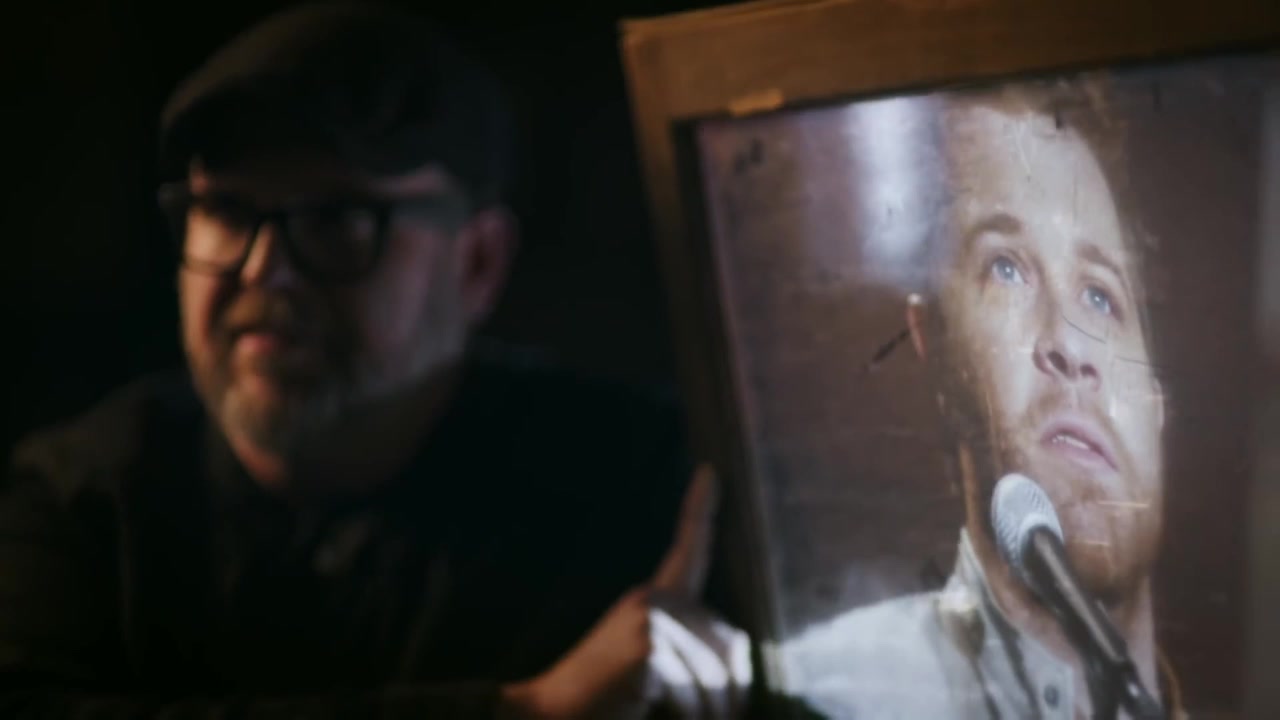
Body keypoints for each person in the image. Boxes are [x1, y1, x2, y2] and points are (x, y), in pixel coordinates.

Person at [0, 3, 749, 718]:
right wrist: (523, 714)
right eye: (225, 211)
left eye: (335, 219)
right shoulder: (86, 504)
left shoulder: (636, 489)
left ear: (478, 263)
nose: (263, 270)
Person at [783, 82, 1172, 719]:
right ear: (933, 342)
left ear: (1156, 406)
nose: (1070, 344)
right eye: (1007, 268)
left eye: (1101, 297)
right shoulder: (827, 693)